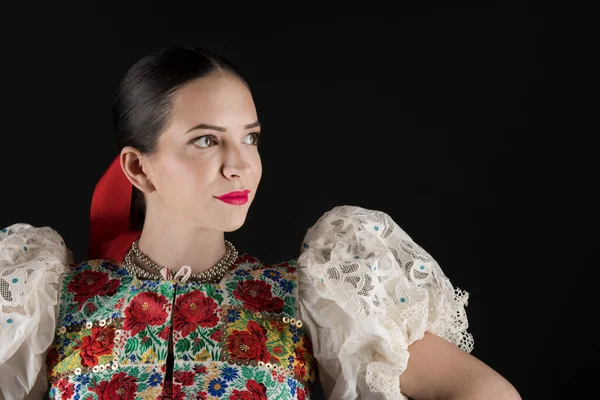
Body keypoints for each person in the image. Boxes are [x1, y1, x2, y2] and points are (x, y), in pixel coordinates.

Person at [0, 47, 521, 400]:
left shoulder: (309, 298)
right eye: (206, 139)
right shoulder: (54, 299)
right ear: (138, 167)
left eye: (249, 137)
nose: (239, 164)